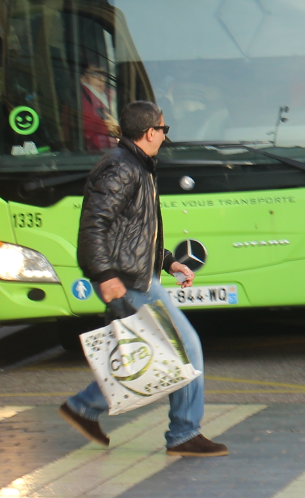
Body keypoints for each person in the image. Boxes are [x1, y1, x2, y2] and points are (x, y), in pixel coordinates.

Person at [60, 100, 227, 457]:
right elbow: (94, 225)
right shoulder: (121, 168)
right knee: (184, 346)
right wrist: (104, 275)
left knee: (142, 352)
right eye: (164, 129)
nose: (166, 136)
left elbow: (134, 230)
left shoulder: (137, 164)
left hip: (136, 273)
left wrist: (167, 262)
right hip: (127, 279)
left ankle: (84, 407)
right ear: (150, 132)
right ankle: (184, 432)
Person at [80, 66, 120, 152]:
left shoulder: (114, 95)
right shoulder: (81, 102)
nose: (101, 78)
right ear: (82, 78)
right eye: (94, 74)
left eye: (103, 74)